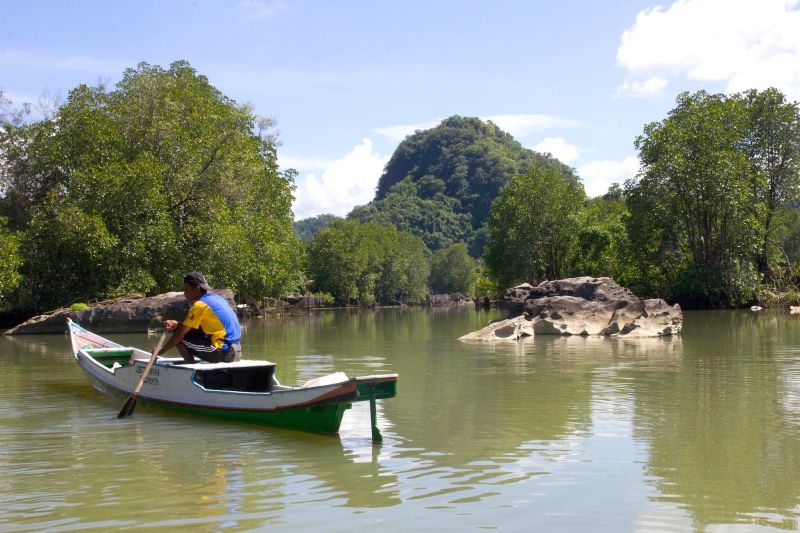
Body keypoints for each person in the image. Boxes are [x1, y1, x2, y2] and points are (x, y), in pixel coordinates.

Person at [158, 272, 242, 364]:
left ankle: (191, 367)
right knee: (181, 330)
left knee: (178, 336)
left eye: (186, 289)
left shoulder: (200, 305)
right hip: (235, 350)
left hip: (222, 352)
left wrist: (161, 351)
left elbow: (179, 335)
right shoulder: (218, 298)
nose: (185, 293)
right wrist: (178, 324)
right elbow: (195, 329)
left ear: (196, 289)